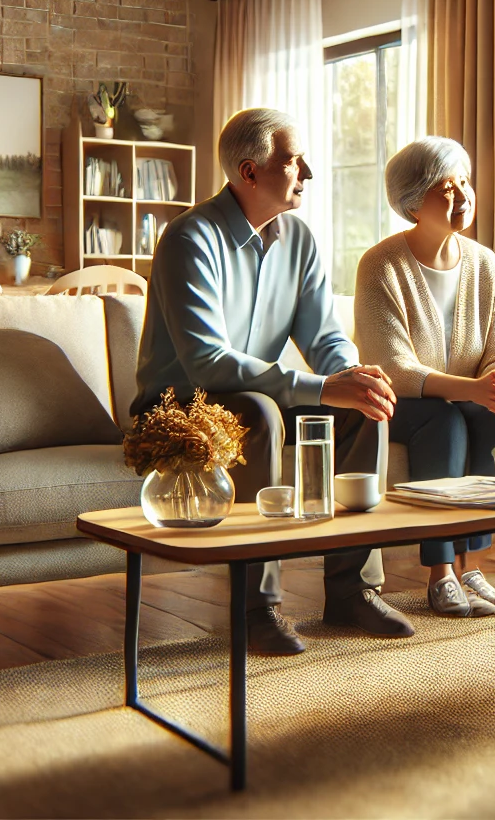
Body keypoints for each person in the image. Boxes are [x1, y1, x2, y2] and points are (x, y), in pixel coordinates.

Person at [135, 107, 412, 656]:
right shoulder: (190, 238)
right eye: (294, 161)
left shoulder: (300, 239)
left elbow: (324, 336)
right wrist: (318, 388)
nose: (307, 173)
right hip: (175, 409)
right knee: (259, 413)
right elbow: (208, 363)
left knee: (365, 405)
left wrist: (350, 374)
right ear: (249, 171)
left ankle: (352, 590)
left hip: (254, 394)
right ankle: (256, 607)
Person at [354, 137, 495, 618]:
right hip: (400, 405)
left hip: (463, 396)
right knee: (443, 422)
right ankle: (440, 574)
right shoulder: (380, 265)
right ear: (412, 203)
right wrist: (474, 388)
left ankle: (473, 567)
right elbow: (394, 368)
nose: (462, 195)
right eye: (444, 188)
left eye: (465, 182)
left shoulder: (484, 264)